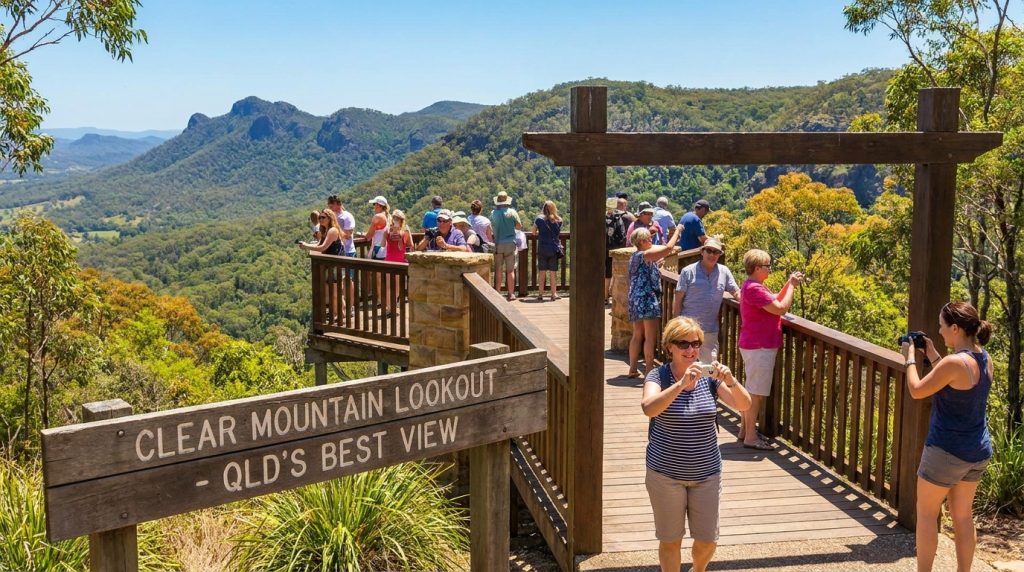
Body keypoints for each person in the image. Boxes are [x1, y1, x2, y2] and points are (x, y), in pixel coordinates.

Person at [641, 317, 751, 572]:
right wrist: (680, 386)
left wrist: (731, 380)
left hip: (707, 474)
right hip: (665, 474)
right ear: (670, 346)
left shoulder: (709, 377)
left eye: (696, 344)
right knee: (671, 541)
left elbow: (744, 405)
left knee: (708, 540)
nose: (691, 350)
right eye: (683, 344)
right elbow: (649, 408)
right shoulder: (659, 375)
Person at [902, 301, 993, 572]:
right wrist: (931, 353)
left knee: (927, 514)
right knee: (963, 516)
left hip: (946, 450)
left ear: (955, 328)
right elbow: (955, 383)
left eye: (942, 327)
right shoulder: (984, 357)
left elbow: (917, 390)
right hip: (976, 450)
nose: (939, 332)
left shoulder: (955, 362)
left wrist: (908, 358)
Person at [737, 249, 803, 450]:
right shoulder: (754, 288)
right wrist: (792, 285)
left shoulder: (753, 287)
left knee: (751, 390)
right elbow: (780, 308)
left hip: (755, 344)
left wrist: (787, 284)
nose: (770, 269)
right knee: (755, 394)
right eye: (767, 266)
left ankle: (744, 431)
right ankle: (750, 437)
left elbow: (773, 300)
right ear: (758, 268)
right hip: (760, 346)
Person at [672, 237, 740, 364]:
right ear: (702, 251)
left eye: (716, 252)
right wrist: (675, 325)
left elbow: (735, 291)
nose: (712, 254)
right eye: (709, 250)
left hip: (710, 331)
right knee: (687, 366)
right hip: (688, 330)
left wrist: (751, 301)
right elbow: (678, 298)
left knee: (709, 369)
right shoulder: (688, 271)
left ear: (720, 255)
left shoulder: (724, 271)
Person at [628, 225, 682, 378]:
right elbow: (668, 248)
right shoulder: (645, 254)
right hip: (647, 299)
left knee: (637, 334)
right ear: (643, 241)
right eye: (649, 238)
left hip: (635, 300)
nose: (651, 240)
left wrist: (655, 267)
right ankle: (650, 371)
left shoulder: (634, 257)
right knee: (650, 337)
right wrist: (677, 231)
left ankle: (632, 368)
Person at [489, 191, 522, 301]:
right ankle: (511, 293)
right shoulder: (512, 212)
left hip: (498, 244)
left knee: (498, 269)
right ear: (507, 201)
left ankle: (498, 292)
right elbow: (518, 226)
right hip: (510, 243)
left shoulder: (493, 213)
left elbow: (491, 226)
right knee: (510, 270)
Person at [532, 200, 563, 301]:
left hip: (542, 248)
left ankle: (540, 294)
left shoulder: (539, 219)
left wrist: (540, 234)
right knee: (553, 273)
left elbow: (533, 232)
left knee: (542, 272)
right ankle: (553, 294)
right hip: (554, 249)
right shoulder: (559, 220)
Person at [605, 197, 628, 302]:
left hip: (600, 249)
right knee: (612, 272)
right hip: (614, 249)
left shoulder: (601, 217)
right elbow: (622, 234)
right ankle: (609, 296)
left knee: (603, 272)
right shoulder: (618, 218)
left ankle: (603, 296)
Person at [365, 195, 390, 260]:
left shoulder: (378, 217)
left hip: (378, 249)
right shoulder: (388, 216)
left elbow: (368, 237)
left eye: (374, 204)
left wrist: (364, 235)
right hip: (385, 249)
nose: (374, 206)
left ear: (379, 205)